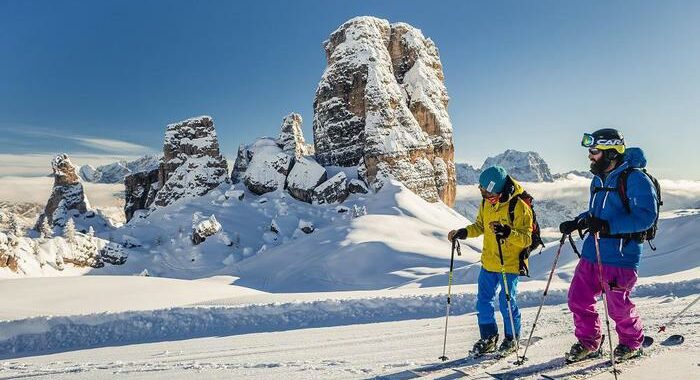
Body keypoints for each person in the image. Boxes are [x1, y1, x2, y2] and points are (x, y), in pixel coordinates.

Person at [559, 128, 658, 362]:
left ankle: (632, 343)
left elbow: (645, 216)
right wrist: (578, 221)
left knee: (618, 307)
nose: (590, 156)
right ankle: (589, 342)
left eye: (594, 151)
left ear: (611, 152)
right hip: (592, 254)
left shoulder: (635, 179)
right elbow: (597, 213)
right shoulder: (598, 179)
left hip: (621, 256)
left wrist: (607, 227)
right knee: (577, 299)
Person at [449, 165, 533, 356]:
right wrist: (464, 232)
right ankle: (488, 337)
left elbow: (526, 239)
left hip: (509, 264)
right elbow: (480, 226)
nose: (485, 196)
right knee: (483, 302)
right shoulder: (486, 203)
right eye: (483, 192)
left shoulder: (519, 206)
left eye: (488, 193)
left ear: (499, 189)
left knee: (506, 303)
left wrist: (508, 232)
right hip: (488, 262)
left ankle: (512, 338)